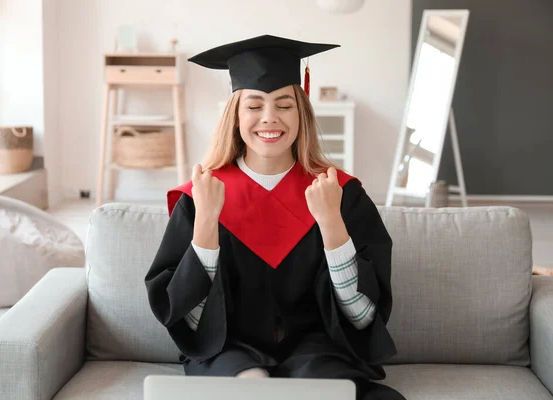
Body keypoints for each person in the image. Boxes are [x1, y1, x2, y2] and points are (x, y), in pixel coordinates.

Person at [145, 34, 405, 400]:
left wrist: (331, 223)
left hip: (318, 353)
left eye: (284, 105)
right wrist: (206, 223)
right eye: (254, 105)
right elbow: (189, 321)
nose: (270, 118)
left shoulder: (342, 195)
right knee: (249, 387)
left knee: (317, 388)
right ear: (235, 116)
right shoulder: (201, 195)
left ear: (302, 114)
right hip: (229, 351)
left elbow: (362, 318)